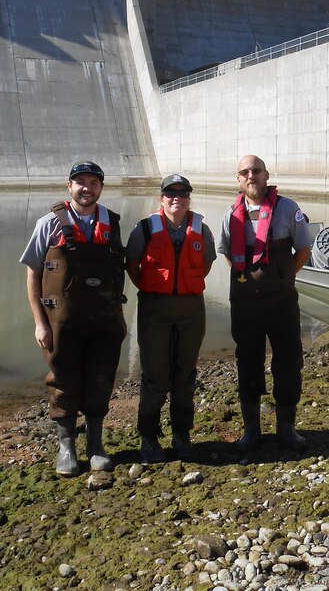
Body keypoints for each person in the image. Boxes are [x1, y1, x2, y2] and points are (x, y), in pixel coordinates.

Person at [20, 161, 126, 477]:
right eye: (80, 182)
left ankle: (96, 446)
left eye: (93, 182)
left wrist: (121, 318)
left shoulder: (113, 223)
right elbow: (32, 274)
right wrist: (39, 322)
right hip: (60, 323)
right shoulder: (49, 223)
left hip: (104, 323)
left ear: (101, 188)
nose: (87, 188)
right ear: (70, 186)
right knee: (63, 382)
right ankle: (67, 448)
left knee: (100, 380)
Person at [218, 155, 311, 451]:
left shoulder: (288, 209)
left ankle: (287, 427)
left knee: (288, 360)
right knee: (247, 362)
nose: (251, 176)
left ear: (266, 175)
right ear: (238, 180)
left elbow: (304, 249)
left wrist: (284, 277)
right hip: (245, 303)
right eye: (244, 172)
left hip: (282, 301)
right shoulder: (230, 215)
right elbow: (227, 254)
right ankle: (251, 430)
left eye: (256, 171)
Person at [126, 174, 216, 462]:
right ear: (161, 198)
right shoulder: (144, 229)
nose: (176, 197)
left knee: (185, 374)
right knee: (154, 376)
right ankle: (149, 437)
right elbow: (131, 264)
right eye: (170, 192)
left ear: (189, 197)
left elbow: (206, 264)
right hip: (155, 310)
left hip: (191, 310)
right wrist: (153, 288)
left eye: (183, 192)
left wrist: (184, 285)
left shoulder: (202, 229)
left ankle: (181, 433)